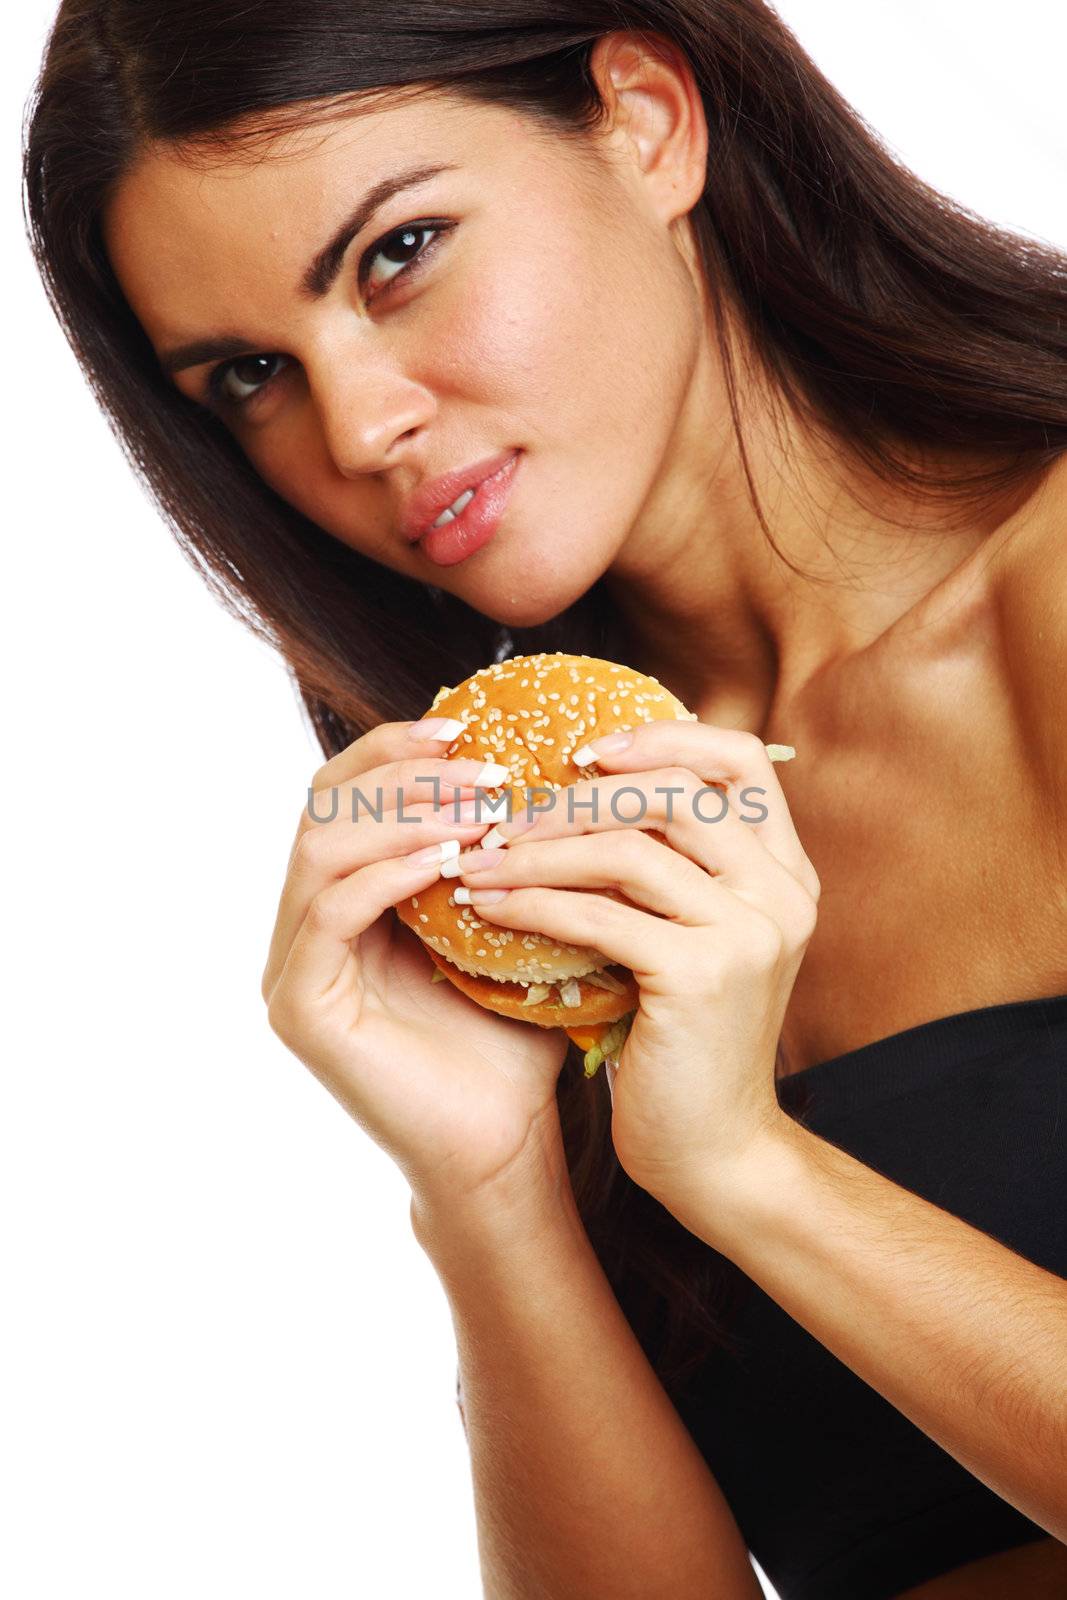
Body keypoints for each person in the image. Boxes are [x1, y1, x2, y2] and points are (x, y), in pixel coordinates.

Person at [23, 3, 1067, 1596]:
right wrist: (489, 1181)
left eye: (399, 252)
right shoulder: (546, 880)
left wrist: (744, 1169)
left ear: (647, 120)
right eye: (248, 375)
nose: (360, 428)